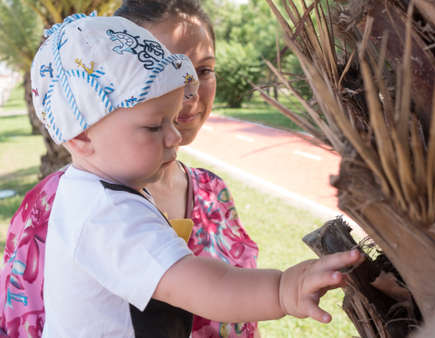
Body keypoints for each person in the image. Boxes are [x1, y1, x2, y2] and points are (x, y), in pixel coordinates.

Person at [2, 13, 361, 338]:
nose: (174, 137)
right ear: (80, 135)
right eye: (154, 126)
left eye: (171, 120)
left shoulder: (88, 191)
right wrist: (283, 289)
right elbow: (203, 287)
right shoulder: (107, 213)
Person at [0, 1, 260, 337]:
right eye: (155, 74)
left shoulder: (212, 194)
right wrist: (286, 289)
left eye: (205, 70)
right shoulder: (54, 207)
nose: (187, 92)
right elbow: (20, 319)